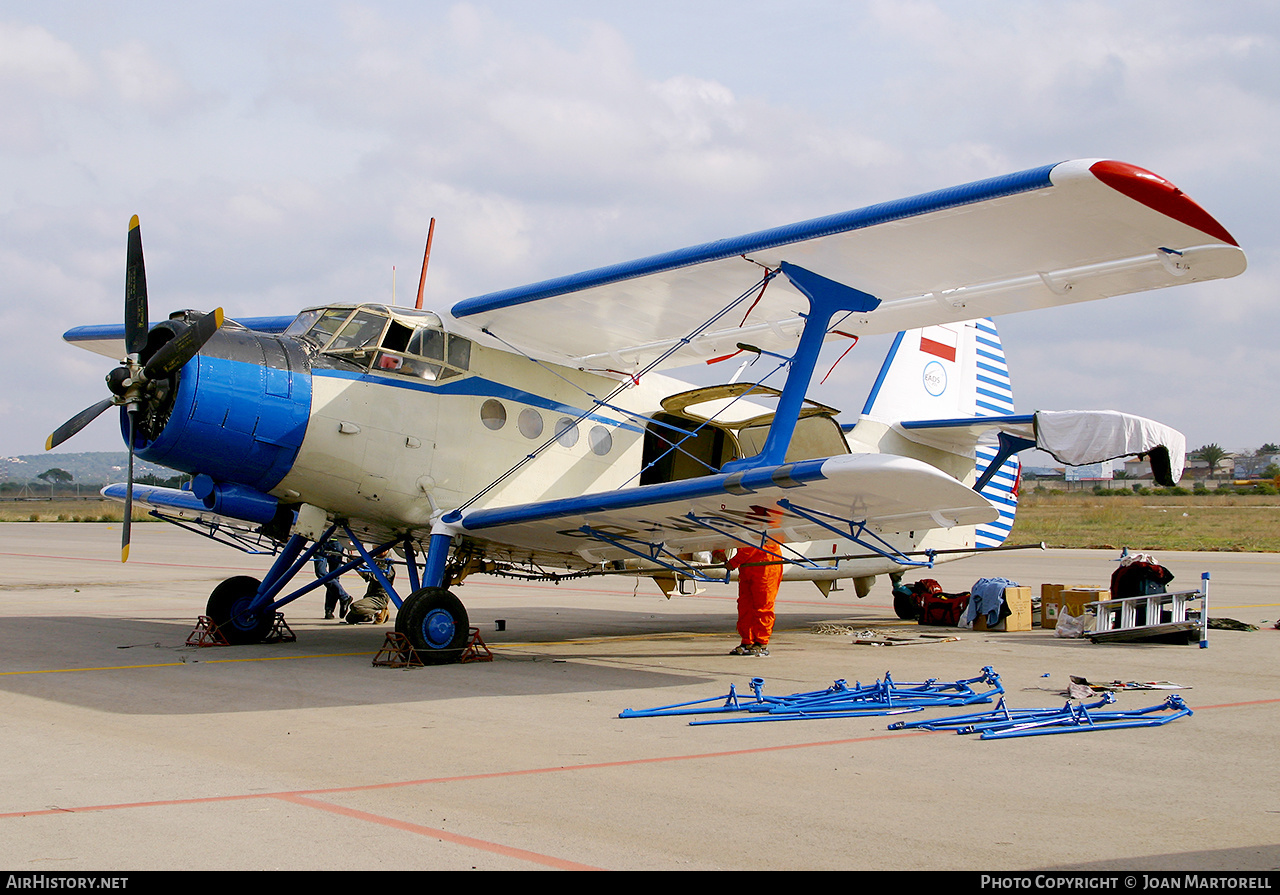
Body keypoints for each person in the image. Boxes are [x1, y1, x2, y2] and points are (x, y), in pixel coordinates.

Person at [724, 544, 783, 656]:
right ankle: (747, 641)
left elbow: (753, 544)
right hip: (748, 566)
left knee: (763, 605)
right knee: (745, 606)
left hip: (766, 564)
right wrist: (718, 552)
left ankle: (761, 642)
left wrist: (734, 562)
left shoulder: (761, 526)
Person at [345, 557, 395, 625]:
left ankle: (380, 612)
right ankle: (370, 615)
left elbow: (369, 576)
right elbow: (366, 569)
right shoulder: (377, 560)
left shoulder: (388, 565)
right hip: (370, 595)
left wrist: (355, 565)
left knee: (356, 607)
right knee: (350, 618)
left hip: (380, 597)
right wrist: (356, 561)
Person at [313, 540, 352, 620]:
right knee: (321, 572)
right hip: (321, 539)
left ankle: (329, 610)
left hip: (337, 542)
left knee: (334, 577)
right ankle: (344, 597)